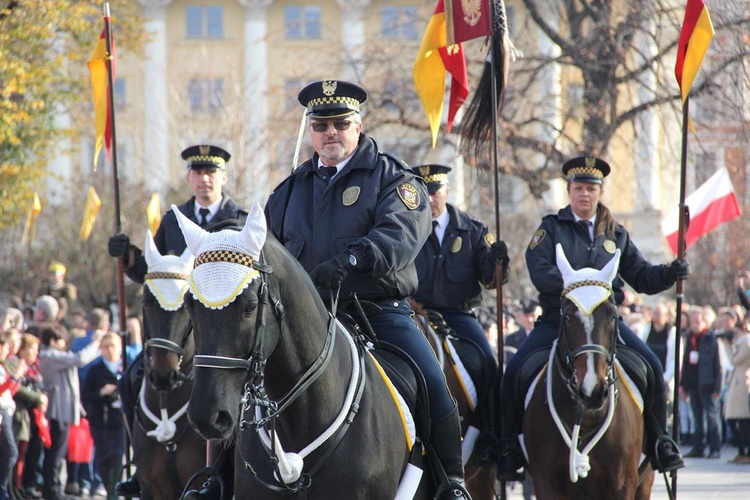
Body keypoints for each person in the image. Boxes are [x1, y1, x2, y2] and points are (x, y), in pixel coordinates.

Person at [261, 80, 469, 499]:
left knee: (433, 386)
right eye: (320, 125)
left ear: (359, 125)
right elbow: (268, 253)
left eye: (340, 123)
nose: (330, 132)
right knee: (241, 384)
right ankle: (218, 479)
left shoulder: (395, 178)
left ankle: (452, 483)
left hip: (376, 311)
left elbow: (404, 231)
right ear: (311, 130)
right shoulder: (287, 193)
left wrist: (355, 259)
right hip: (305, 319)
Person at [498, 156, 689, 480]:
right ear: (569, 191)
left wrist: (670, 273)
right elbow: (539, 269)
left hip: (604, 325)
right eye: (578, 188)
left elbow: (640, 275)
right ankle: (507, 448)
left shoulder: (616, 233)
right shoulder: (551, 228)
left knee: (652, 368)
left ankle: (660, 441)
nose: (584, 194)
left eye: (590, 188)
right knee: (516, 371)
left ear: (599, 192)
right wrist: (576, 287)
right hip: (559, 319)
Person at [108, 144, 247, 497]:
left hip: (221, 327)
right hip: (178, 328)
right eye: (197, 173)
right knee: (130, 380)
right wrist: (128, 258)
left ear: (223, 177)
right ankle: (136, 465)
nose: (204, 180)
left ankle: (238, 468)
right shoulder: (172, 220)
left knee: (244, 393)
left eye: (211, 173)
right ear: (188, 178)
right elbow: (153, 274)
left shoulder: (238, 219)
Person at [409, 163, 509, 465]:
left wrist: (498, 264)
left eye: (435, 192)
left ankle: (494, 437)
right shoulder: (405, 227)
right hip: (414, 315)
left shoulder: (473, 229)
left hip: (459, 316)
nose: (430, 199)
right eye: (424, 194)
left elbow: (491, 280)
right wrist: (409, 302)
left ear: (446, 192)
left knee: (490, 367)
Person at [37, 321, 103, 500]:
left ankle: (55, 488)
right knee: (55, 454)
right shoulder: (49, 355)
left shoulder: (54, 355)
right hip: (57, 410)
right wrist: (95, 343)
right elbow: (78, 359)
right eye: (60, 340)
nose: (63, 344)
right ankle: (51, 490)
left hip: (65, 409)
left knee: (59, 452)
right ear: (52, 340)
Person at [82, 332, 125, 499]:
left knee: (117, 456)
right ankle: (108, 488)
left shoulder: (125, 367)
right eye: (105, 347)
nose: (109, 350)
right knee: (104, 458)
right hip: (100, 421)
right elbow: (86, 396)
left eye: (112, 346)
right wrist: (101, 392)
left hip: (119, 421)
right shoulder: (95, 370)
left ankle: (114, 493)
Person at [680, 306, 724, 458]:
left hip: (708, 384)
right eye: (692, 321)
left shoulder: (711, 338)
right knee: (697, 417)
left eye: (698, 321)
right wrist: (683, 385)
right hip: (693, 383)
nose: (694, 324)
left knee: (712, 417)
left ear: (705, 322)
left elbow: (718, 365)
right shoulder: (690, 338)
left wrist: (718, 387)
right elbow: (685, 363)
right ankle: (698, 447)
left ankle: (715, 448)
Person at [38, 262, 78, 326]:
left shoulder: (67, 289)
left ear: (62, 276)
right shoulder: (45, 288)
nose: (52, 278)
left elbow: (72, 304)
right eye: (50, 275)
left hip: (64, 319)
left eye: (54, 275)